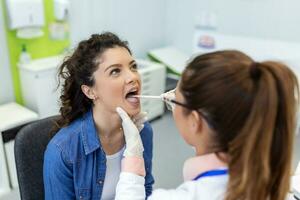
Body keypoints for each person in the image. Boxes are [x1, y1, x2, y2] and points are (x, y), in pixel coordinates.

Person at [115, 50, 299, 200]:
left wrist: (133, 160)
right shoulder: (280, 186)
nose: (169, 99)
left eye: (175, 101)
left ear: (195, 122)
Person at [43, 32, 154, 199]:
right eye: (115, 71)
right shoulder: (63, 151)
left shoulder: (142, 133)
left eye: (133, 67)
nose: (133, 77)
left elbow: (145, 190)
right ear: (90, 91)